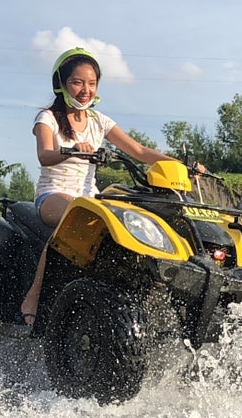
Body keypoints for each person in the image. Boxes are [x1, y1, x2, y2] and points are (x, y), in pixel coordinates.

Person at [20, 47, 203, 325]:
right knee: (73, 214)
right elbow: (44, 155)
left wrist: (182, 165)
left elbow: (139, 150)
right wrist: (73, 151)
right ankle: (33, 295)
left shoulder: (98, 120)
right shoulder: (47, 118)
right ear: (61, 84)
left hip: (91, 198)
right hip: (53, 195)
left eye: (92, 83)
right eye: (77, 82)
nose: (85, 90)